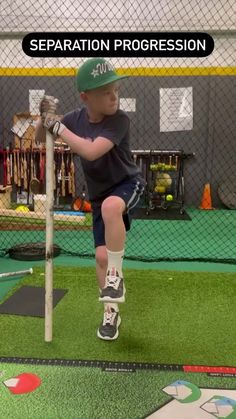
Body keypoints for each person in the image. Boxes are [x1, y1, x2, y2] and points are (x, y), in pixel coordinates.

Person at [36, 58, 146, 341]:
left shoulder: (119, 119)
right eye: (106, 92)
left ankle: (115, 277)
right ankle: (111, 313)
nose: (114, 97)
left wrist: (58, 128)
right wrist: (43, 119)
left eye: (116, 90)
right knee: (99, 256)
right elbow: (40, 138)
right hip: (98, 196)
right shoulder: (75, 118)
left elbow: (91, 151)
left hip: (126, 185)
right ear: (86, 97)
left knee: (112, 207)